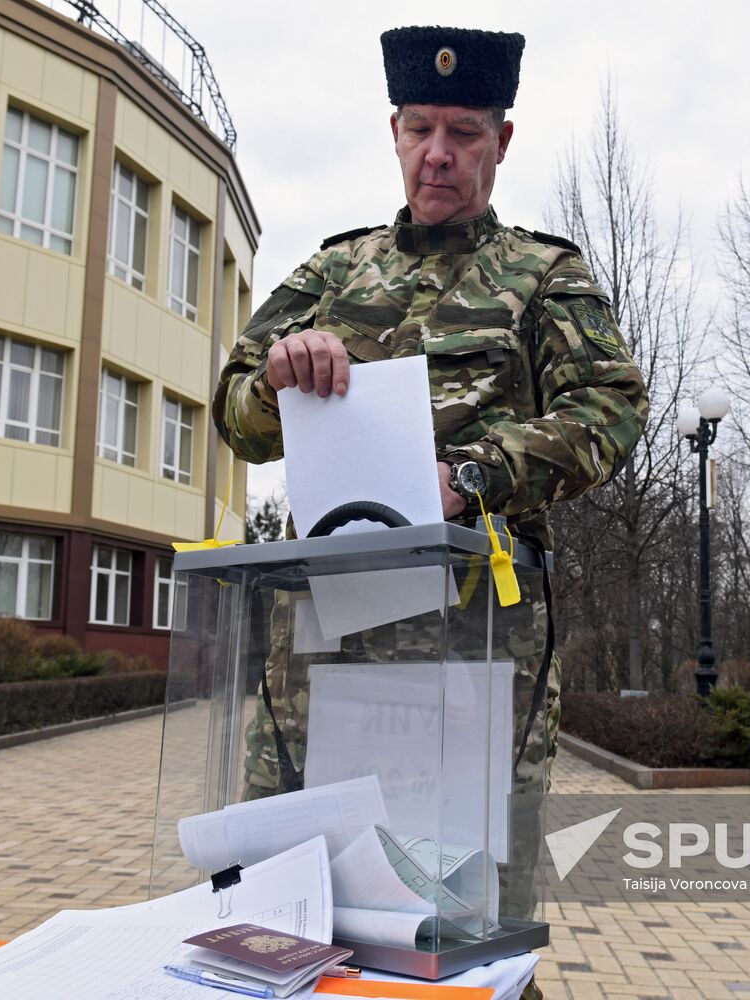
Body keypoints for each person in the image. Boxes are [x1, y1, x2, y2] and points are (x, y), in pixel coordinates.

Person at [213, 26, 646, 997]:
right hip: (316, 668)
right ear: (396, 133)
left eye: (462, 131)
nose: (439, 152)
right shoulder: (334, 274)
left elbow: (611, 408)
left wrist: (479, 475)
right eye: (420, 129)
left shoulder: (543, 278)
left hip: (471, 664)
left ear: (502, 140)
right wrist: (280, 374)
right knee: (286, 919)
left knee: (468, 928)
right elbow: (236, 414)